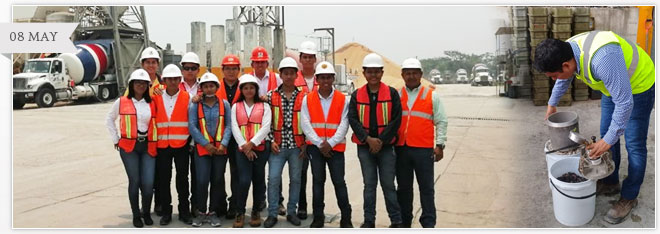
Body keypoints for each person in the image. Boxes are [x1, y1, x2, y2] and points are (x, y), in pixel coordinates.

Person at [533, 31, 655, 224]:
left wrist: (608, 139)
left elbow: (625, 103)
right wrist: (552, 104)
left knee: (634, 144)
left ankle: (629, 197)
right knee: (607, 136)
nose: (555, 80)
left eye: (554, 76)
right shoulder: (568, 51)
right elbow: (565, 77)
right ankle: (610, 182)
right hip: (613, 86)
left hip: (639, 86)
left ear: (566, 65)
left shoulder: (603, 60)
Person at [348, 53, 403, 228]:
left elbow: (396, 119)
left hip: (386, 148)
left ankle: (396, 220)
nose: (373, 75)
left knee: (388, 185)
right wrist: (368, 139)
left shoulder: (392, 93)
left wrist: (380, 141)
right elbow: (353, 119)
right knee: (369, 185)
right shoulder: (357, 95)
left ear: (382, 72)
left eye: (376, 71)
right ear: (364, 73)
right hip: (365, 148)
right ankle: (369, 221)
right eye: (370, 71)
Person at [395, 58, 448, 228]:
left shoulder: (431, 95)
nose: (411, 76)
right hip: (401, 149)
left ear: (421, 75)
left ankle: (428, 223)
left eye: (414, 73)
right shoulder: (396, 95)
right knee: (403, 189)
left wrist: (439, 145)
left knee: (426, 189)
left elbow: (441, 121)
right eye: (408, 73)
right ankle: (404, 221)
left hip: (423, 150)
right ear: (402, 75)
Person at [301, 61, 353, 228]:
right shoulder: (307, 99)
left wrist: (330, 143)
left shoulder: (342, 99)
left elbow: (344, 124)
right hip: (316, 149)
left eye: (328, 77)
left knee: (339, 182)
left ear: (333, 78)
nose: (325, 81)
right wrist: (319, 144)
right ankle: (318, 217)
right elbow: (305, 123)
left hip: (335, 149)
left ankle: (346, 218)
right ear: (316, 79)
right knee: (318, 182)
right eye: (322, 77)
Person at [106, 69, 158, 228]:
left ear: (148, 85)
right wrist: (115, 138)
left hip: (148, 145)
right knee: (135, 181)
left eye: (143, 83)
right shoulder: (121, 101)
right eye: (137, 82)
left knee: (148, 183)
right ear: (132, 84)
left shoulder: (153, 102)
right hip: (129, 147)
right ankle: (136, 215)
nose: (141, 85)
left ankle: (146, 212)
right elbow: (109, 118)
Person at [263, 57, 306, 228]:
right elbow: (265, 122)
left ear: (297, 75)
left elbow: (308, 122)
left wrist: (305, 143)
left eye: (291, 73)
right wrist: (270, 141)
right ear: (280, 75)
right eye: (285, 73)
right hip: (277, 146)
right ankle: (272, 213)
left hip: (297, 146)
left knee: (295, 180)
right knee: (273, 179)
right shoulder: (270, 96)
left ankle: (291, 212)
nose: (288, 76)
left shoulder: (304, 97)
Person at [188, 73, 232, 227]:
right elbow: (192, 126)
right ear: (202, 89)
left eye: (212, 85)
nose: (209, 88)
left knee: (217, 180)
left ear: (217, 87)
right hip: (203, 150)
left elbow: (228, 125)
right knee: (202, 181)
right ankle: (201, 212)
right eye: (206, 86)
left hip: (220, 150)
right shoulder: (195, 105)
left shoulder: (224, 104)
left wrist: (223, 144)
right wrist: (205, 144)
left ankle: (213, 212)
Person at [152, 64, 192, 225]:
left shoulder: (187, 97)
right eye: (169, 79)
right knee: (164, 180)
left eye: (176, 79)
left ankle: (184, 211)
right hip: (162, 146)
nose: (173, 82)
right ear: (164, 80)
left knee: (182, 179)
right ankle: (166, 212)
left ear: (179, 80)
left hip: (181, 144)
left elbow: (192, 121)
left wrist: (192, 142)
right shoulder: (156, 97)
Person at [230, 74, 272, 228]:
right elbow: (234, 127)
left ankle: (256, 211)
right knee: (244, 180)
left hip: (260, 149)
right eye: (246, 88)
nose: (249, 91)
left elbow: (266, 127)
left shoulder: (264, 106)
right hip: (242, 150)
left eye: (252, 88)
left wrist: (252, 143)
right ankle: (239, 212)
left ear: (256, 89)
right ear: (241, 90)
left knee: (259, 180)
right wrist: (245, 146)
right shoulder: (236, 106)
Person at [249, 46, 284, 214]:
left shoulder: (276, 78)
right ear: (252, 63)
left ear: (267, 63)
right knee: (258, 170)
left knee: (275, 169)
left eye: (263, 62)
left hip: (274, 128)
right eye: (257, 62)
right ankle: (261, 200)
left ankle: (279, 201)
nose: (260, 65)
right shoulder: (247, 79)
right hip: (254, 131)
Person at [294, 41, 319, 220]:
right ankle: (301, 206)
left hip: (319, 136)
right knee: (300, 174)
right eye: (305, 57)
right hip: (300, 136)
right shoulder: (293, 79)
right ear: (300, 59)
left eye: (311, 57)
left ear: (315, 59)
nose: (308, 60)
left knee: (318, 176)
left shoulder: (324, 78)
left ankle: (318, 208)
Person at [179, 52, 203, 219]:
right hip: (180, 136)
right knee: (182, 175)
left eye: (193, 68)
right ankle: (183, 207)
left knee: (197, 175)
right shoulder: (173, 85)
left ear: (198, 70)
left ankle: (196, 205)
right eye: (186, 68)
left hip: (199, 138)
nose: (189, 71)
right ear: (182, 69)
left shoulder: (205, 86)